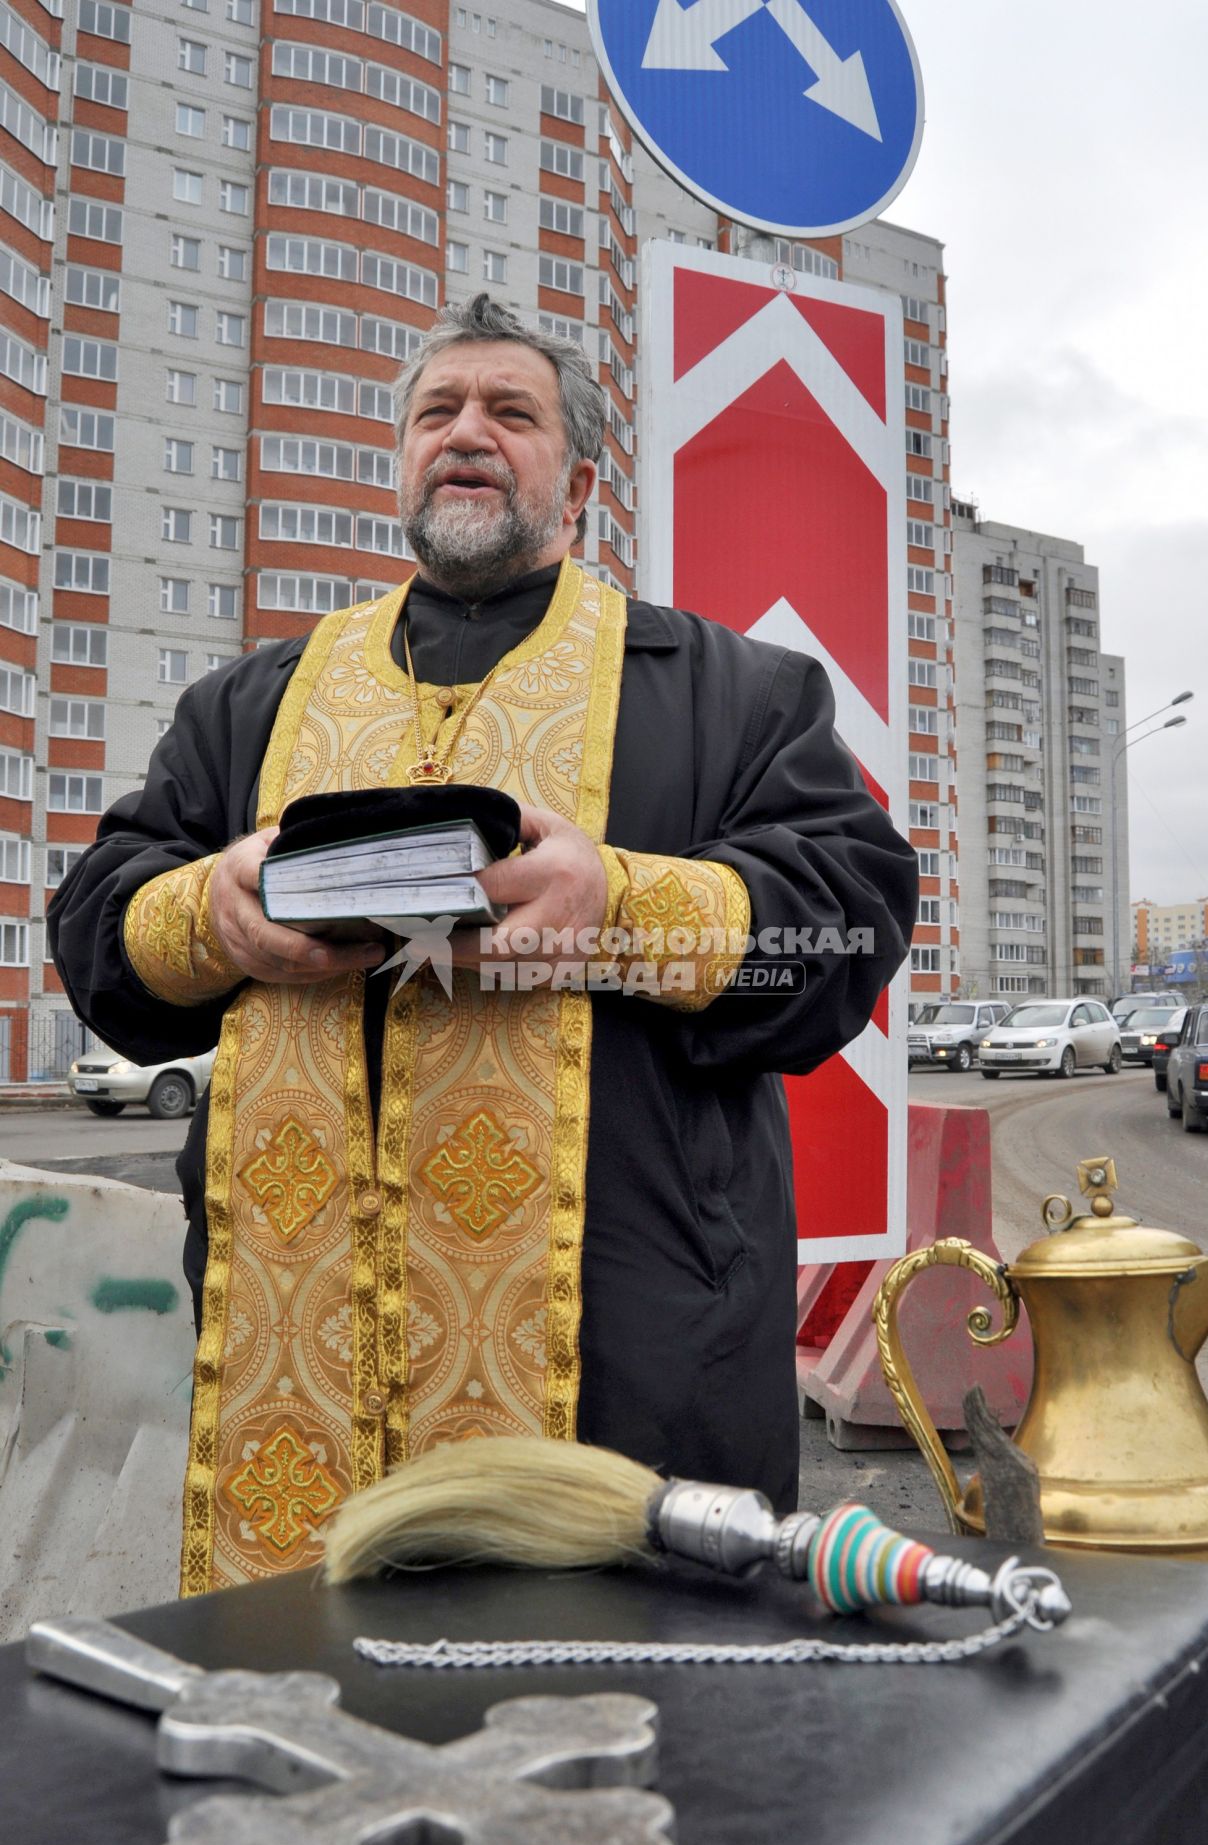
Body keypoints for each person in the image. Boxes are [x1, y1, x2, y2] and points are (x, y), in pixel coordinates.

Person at [49, 294, 917, 1594]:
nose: (467, 434)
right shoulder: (250, 705)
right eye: (435, 413)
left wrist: (613, 910)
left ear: (579, 484)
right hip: (299, 1388)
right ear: (402, 458)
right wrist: (213, 909)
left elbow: (848, 924)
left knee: (613, 1757)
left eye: (511, 413)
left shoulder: (735, 692)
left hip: (629, 1371)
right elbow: (98, 920)